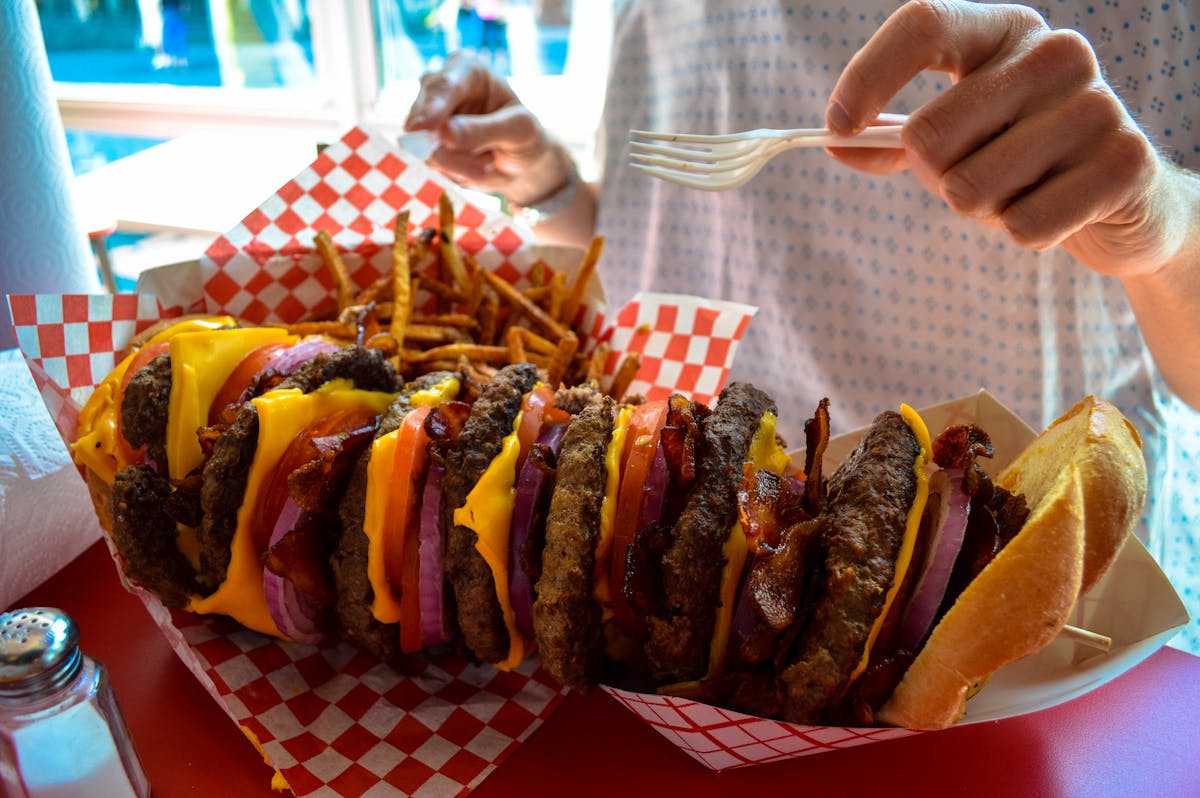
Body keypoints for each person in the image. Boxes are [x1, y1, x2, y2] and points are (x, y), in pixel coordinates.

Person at [403, 0, 1200, 653]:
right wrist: (552, 186)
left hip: (1044, 644)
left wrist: (1161, 220)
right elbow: (674, 232)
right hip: (636, 600)